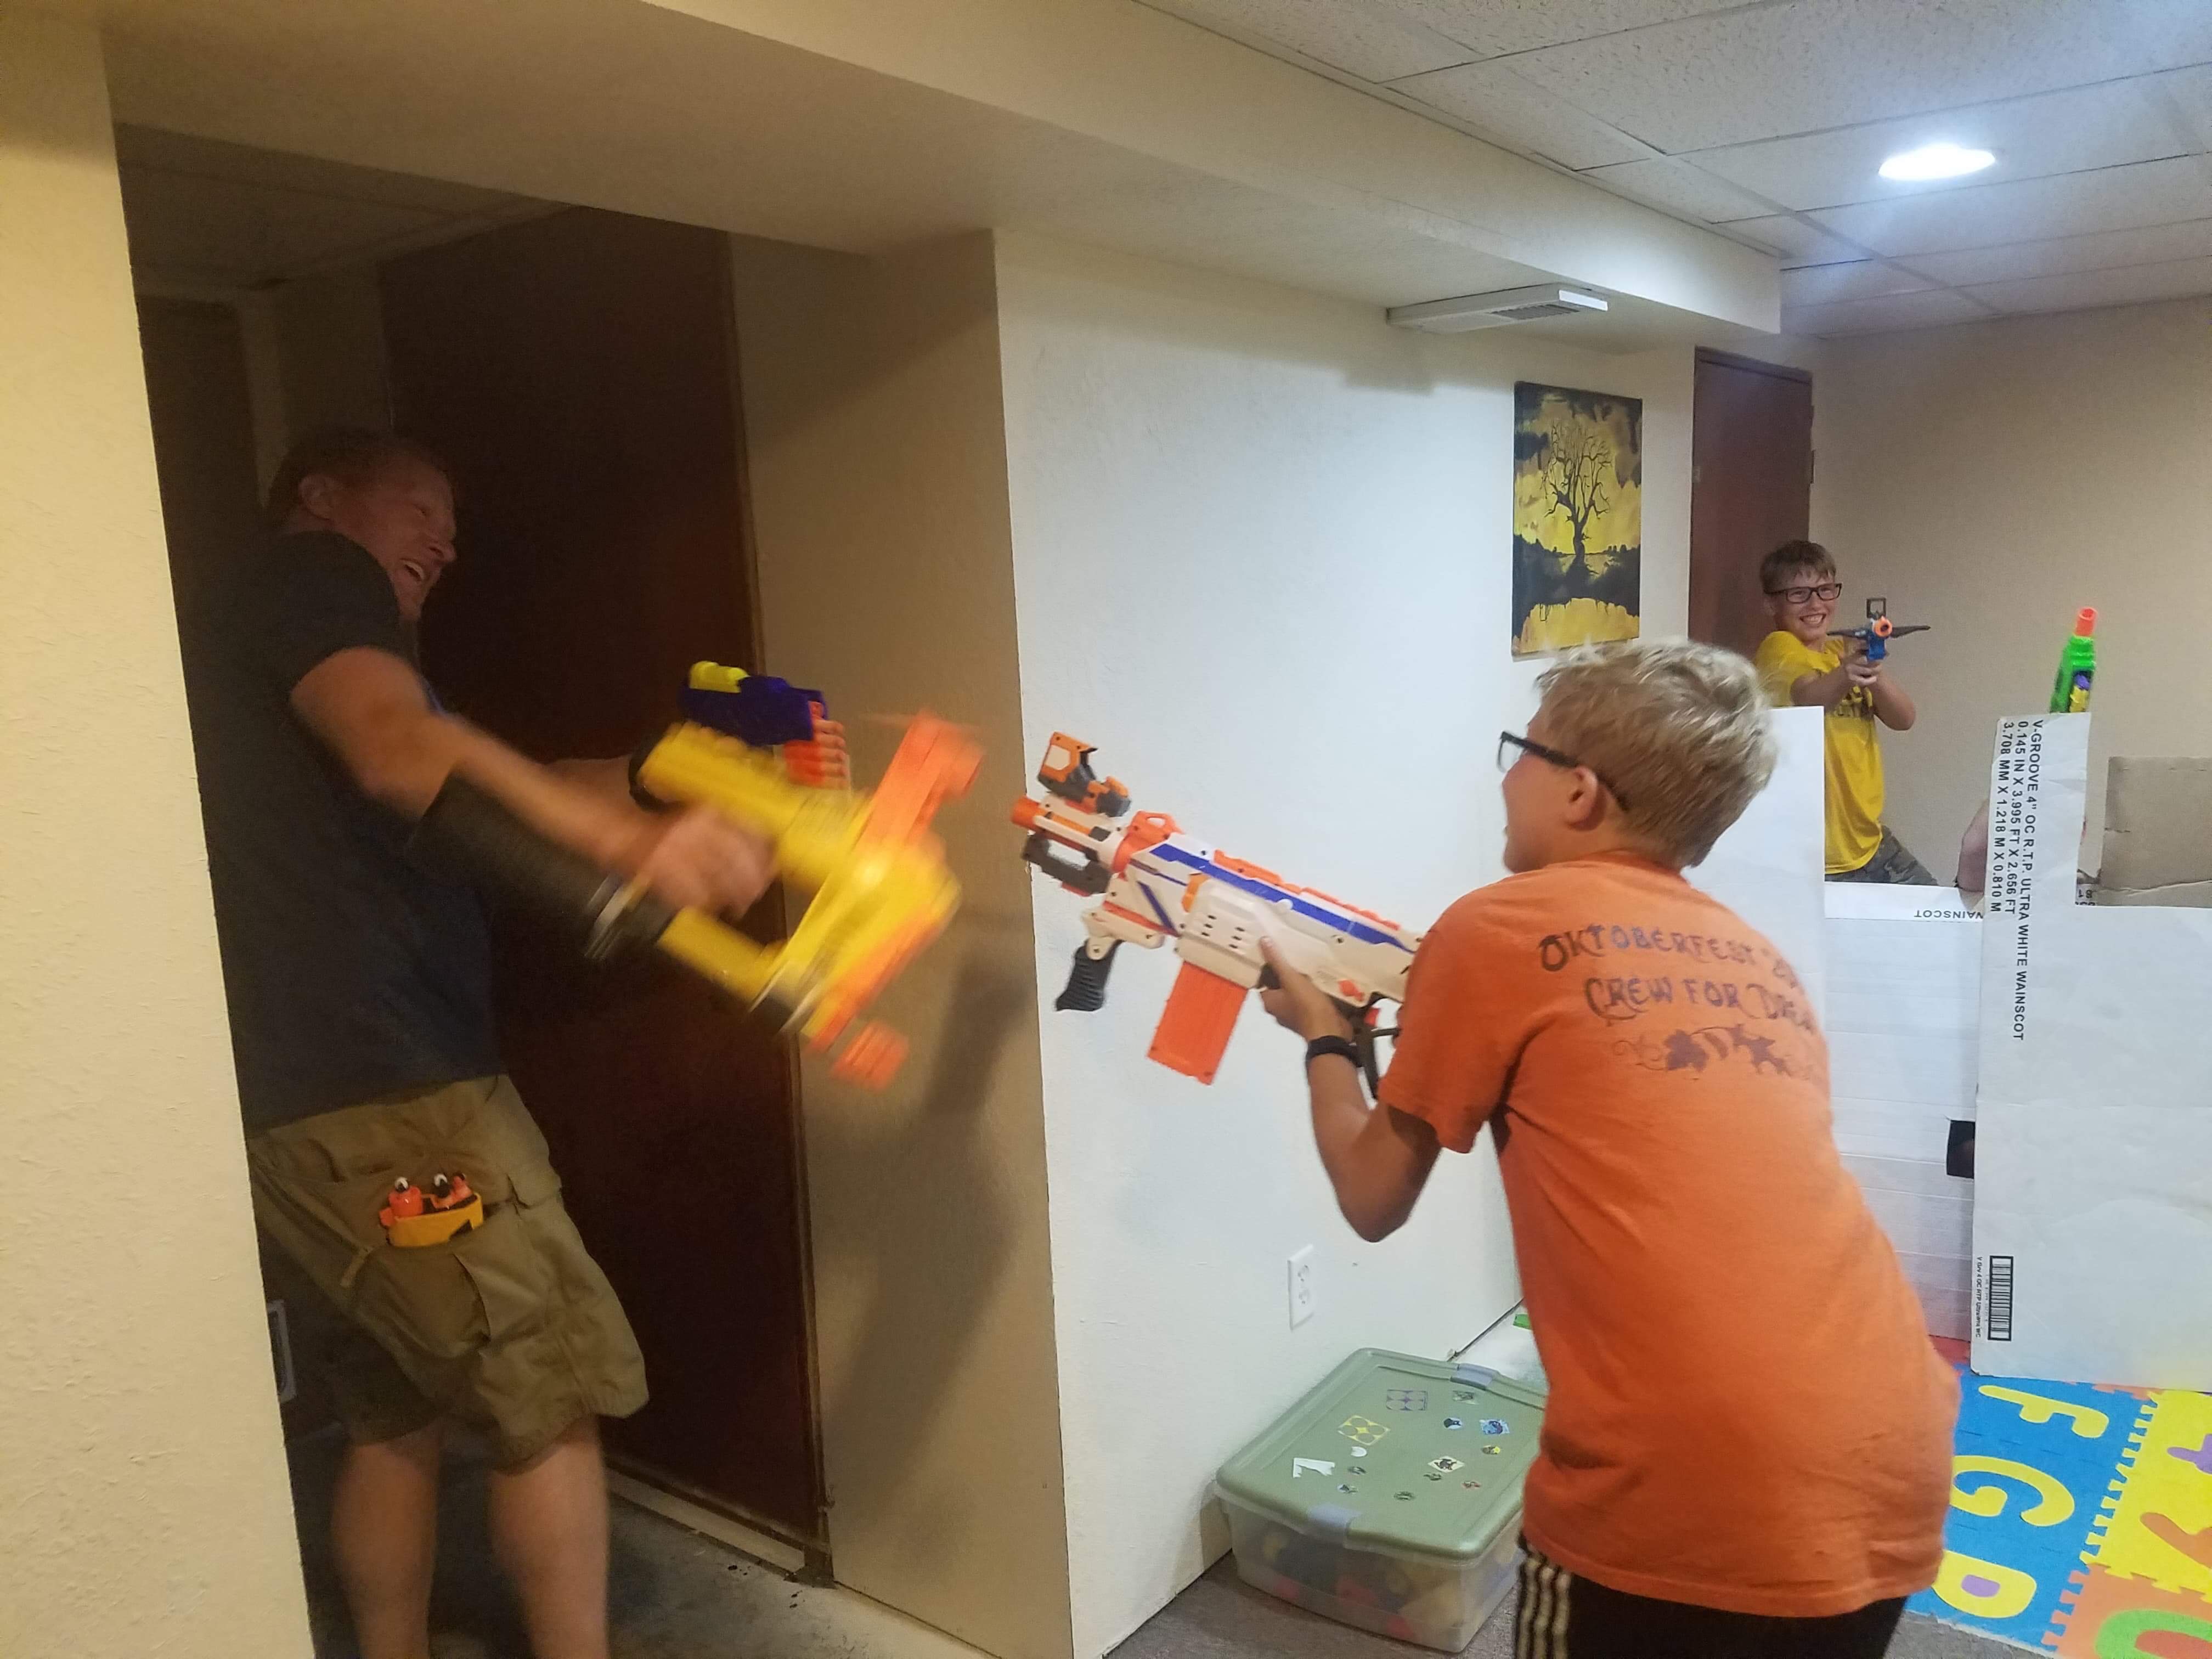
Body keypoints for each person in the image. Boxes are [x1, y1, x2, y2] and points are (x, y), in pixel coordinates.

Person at [188, 426, 776, 1659]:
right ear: (320, 496)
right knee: (547, 1390)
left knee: (392, 1415)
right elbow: (404, 750)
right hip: (394, 1097)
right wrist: (633, 846)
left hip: (311, 1105)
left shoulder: (292, 662)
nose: (445, 541)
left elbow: (492, 782)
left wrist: (652, 776)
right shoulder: (312, 581)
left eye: (453, 527)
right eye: (419, 506)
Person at [1257, 640, 1957, 1659]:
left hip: (1686, 1473)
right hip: (1890, 1449)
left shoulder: (1495, 924)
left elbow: (1371, 1195)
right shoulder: (1757, 958)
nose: (1505, 776)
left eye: (1521, 751)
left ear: (1579, 791)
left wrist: (1324, 1038)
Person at [1751, 540, 1934, 884]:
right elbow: (1809, 701)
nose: (1815, 603)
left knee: (1939, 914)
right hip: (1818, 856)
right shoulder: (1779, 648)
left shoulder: (1841, 652)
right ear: (1771, 603)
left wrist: (1870, 669)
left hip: (1870, 841)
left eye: (1825, 590)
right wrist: (1848, 672)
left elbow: (1904, 718)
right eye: (1798, 594)